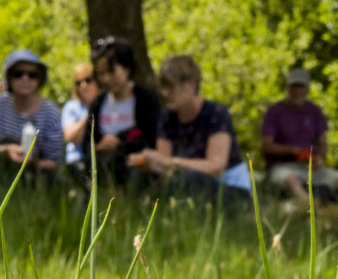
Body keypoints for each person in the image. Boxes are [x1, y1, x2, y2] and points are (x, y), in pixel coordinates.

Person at [127, 55, 252, 205]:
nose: (165, 93)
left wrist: (172, 162)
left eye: (170, 87)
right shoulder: (167, 117)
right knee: (140, 177)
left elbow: (215, 167)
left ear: (191, 85)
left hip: (229, 189)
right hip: (188, 184)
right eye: (163, 87)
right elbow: (163, 164)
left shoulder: (216, 113)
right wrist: (146, 161)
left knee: (191, 179)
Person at [261, 68, 338, 210]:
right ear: (287, 87)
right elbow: (266, 146)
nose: (297, 91)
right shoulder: (274, 112)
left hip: (311, 166)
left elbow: (322, 142)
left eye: (301, 86)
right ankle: (314, 214)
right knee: (291, 180)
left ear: (307, 89)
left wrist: (319, 158)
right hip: (282, 167)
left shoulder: (314, 111)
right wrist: (292, 151)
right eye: (294, 86)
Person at [83, 36, 161, 192]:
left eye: (111, 72)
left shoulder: (146, 99)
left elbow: (155, 140)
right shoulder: (97, 104)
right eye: (101, 73)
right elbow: (86, 143)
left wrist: (120, 145)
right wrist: (99, 146)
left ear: (127, 68)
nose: (106, 79)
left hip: (137, 170)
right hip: (102, 170)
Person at [0, 49, 63, 186]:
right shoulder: (1, 105)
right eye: (18, 74)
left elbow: (54, 162)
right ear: (9, 78)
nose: (25, 79)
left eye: (32, 75)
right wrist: (6, 150)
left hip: (36, 177)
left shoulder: (50, 112)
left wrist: (33, 162)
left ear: (39, 79)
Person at [61, 64, 99, 186]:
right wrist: (90, 111)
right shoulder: (72, 107)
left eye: (88, 80)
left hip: (102, 156)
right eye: (78, 82)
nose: (84, 85)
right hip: (78, 160)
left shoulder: (107, 104)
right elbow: (72, 138)